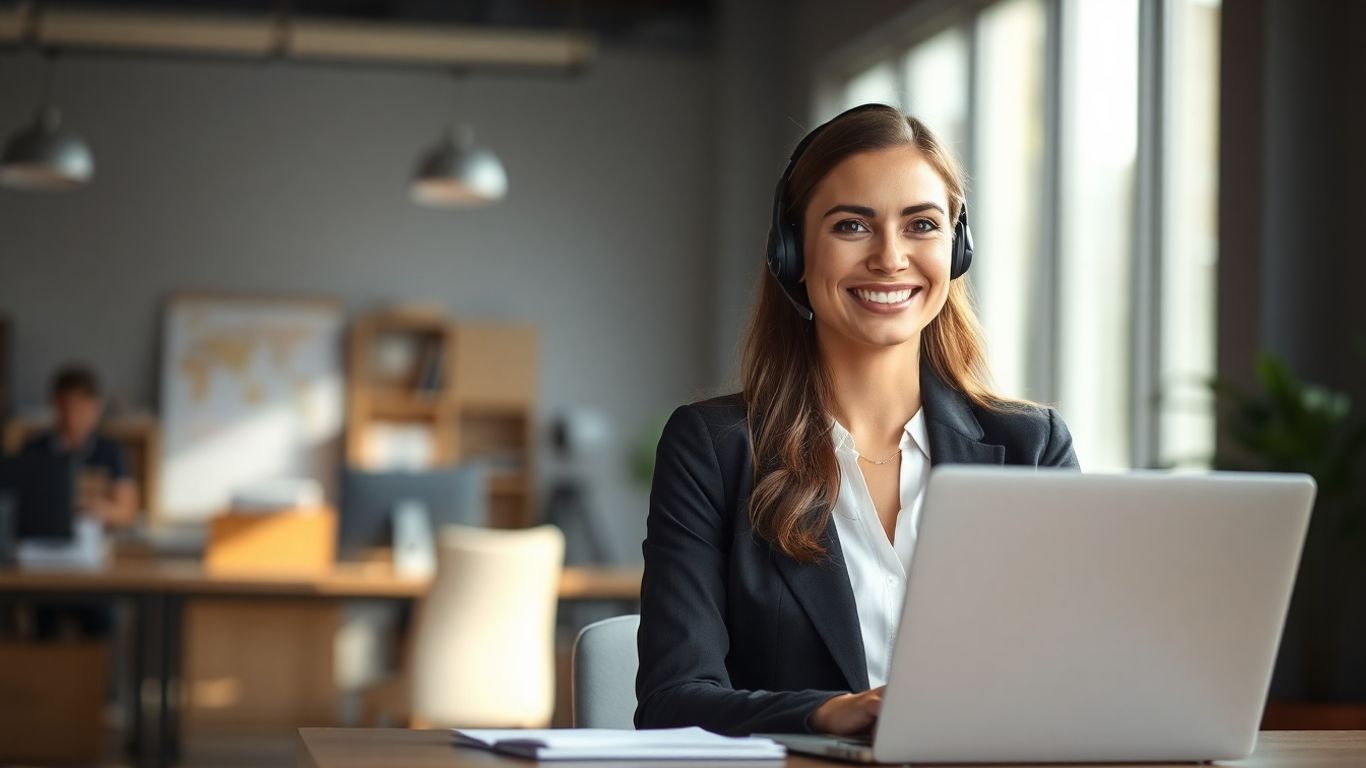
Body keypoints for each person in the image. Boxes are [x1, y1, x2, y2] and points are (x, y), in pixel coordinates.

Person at [635, 104, 1079, 737]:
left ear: (956, 248)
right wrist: (827, 712)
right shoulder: (714, 449)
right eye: (851, 226)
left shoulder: (1033, 447)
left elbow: (1074, 671)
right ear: (792, 252)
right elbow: (672, 701)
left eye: (921, 225)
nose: (890, 258)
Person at [20, 363, 137, 638]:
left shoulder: (110, 451)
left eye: (81, 409)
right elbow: (17, 504)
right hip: (43, 561)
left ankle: (94, 679)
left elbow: (126, 510)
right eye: (65, 408)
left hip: (91, 561)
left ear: (95, 407)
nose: (72, 418)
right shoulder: (34, 447)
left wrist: (98, 509)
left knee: (100, 621)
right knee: (40, 626)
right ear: (54, 405)